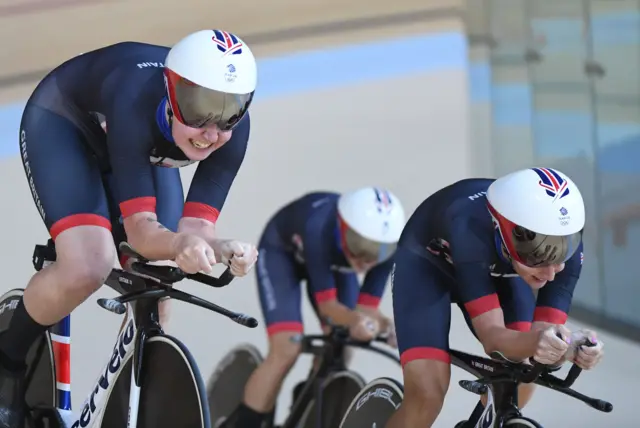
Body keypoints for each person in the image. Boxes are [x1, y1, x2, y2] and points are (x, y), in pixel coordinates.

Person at [0, 29, 259, 428]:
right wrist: (179, 243)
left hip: (141, 149)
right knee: (89, 264)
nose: (211, 132)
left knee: (158, 285)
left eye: (227, 114)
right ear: (171, 93)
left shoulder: (233, 132)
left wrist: (224, 248)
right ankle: (7, 363)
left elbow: (195, 229)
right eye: (200, 109)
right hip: (65, 123)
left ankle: (126, 407)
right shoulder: (135, 101)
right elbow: (143, 234)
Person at [386, 168, 605, 428]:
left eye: (559, 255)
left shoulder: (567, 247)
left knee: (524, 373)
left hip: (498, 268)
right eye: (537, 254)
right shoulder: (470, 228)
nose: (549, 273)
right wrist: (545, 344)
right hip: (427, 268)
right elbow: (494, 339)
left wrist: (572, 348)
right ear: (501, 230)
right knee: (427, 395)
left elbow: (544, 341)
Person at [223, 188, 406, 427]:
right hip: (282, 254)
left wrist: (387, 326)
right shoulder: (318, 226)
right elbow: (329, 308)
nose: (366, 260)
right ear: (342, 226)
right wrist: (358, 322)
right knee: (287, 349)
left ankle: (305, 399)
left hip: (334, 264)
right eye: (359, 245)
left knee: (343, 346)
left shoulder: (386, 252)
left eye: (378, 251)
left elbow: (366, 309)